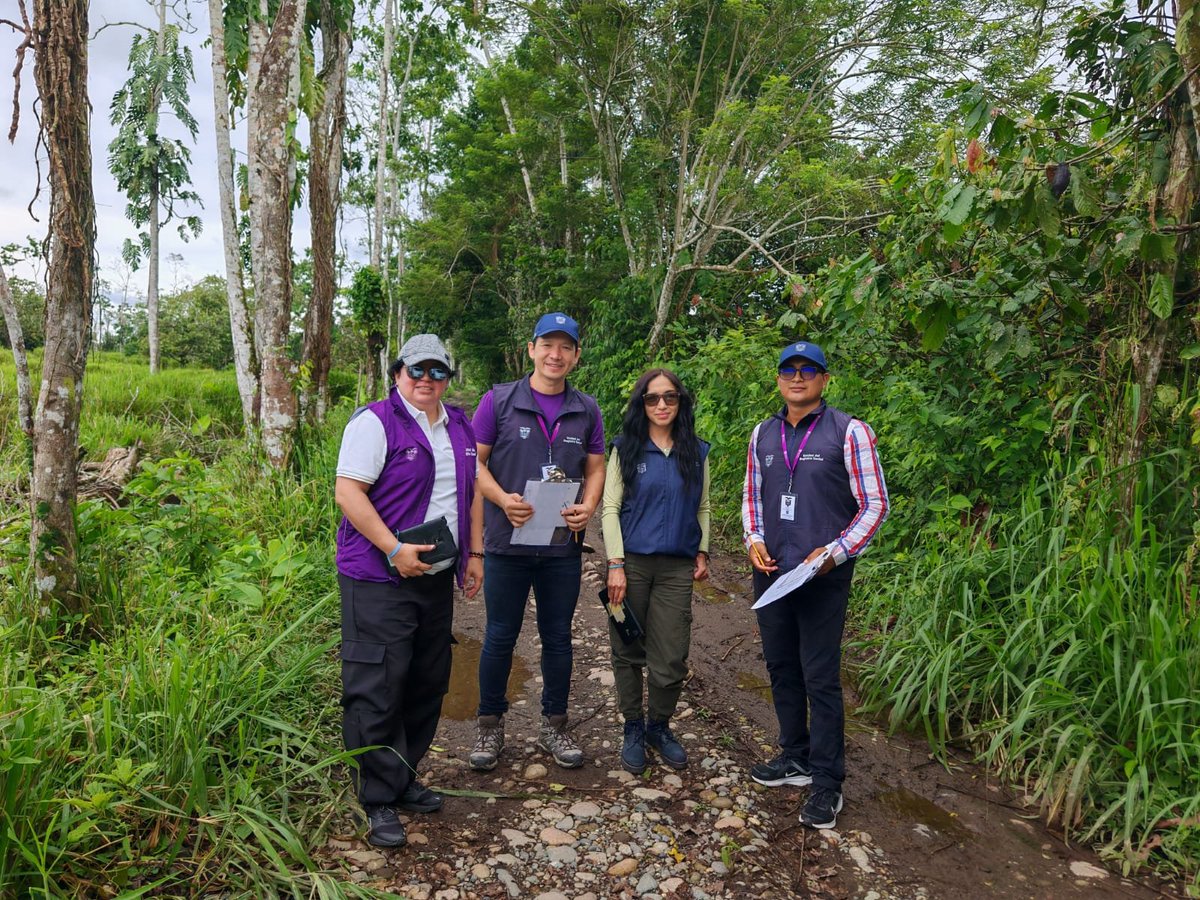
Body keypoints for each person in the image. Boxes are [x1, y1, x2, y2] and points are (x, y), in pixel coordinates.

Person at [334, 334, 484, 848]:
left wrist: (475, 554)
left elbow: (471, 493)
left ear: (447, 378)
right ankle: (376, 796)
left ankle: (401, 776)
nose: (426, 379)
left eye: (437, 371)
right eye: (416, 370)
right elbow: (348, 492)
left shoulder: (459, 425)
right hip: (378, 577)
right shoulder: (375, 422)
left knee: (426, 678)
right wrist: (393, 548)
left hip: (435, 574)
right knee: (378, 683)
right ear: (398, 372)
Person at [742, 340, 888, 830]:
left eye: (809, 370)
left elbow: (875, 505)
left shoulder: (849, 432)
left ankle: (827, 781)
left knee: (819, 674)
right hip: (771, 571)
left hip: (822, 574)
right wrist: (753, 537)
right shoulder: (763, 433)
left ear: (824, 380)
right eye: (789, 370)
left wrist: (835, 552)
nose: (798, 378)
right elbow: (752, 496)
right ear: (779, 379)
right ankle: (795, 756)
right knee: (781, 665)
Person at [469, 312, 606, 770]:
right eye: (547, 344)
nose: (555, 354)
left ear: (576, 356)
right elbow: (474, 462)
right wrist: (501, 499)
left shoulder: (586, 409)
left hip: (560, 547)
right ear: (531, 349)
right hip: (507, 543)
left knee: (558, 637)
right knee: (499, 636)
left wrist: (589, 505)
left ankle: (555, 725)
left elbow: (596, 467)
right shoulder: (498, 401)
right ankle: (490, 726)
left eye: (565, 347)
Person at [601, 369, 710, 774]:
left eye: (670, 397)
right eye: (652, 398)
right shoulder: (626, 448)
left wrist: (702, 550)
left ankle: (658, 727)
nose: (661, 405)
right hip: (631, 565)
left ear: (680, 402)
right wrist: (615, 564)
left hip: (676, 568)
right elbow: (610, 508)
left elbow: (703, 506)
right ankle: (632, 726)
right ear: (641, 404)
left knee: (671, 654)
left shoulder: (695, 451)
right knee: (627, 646)